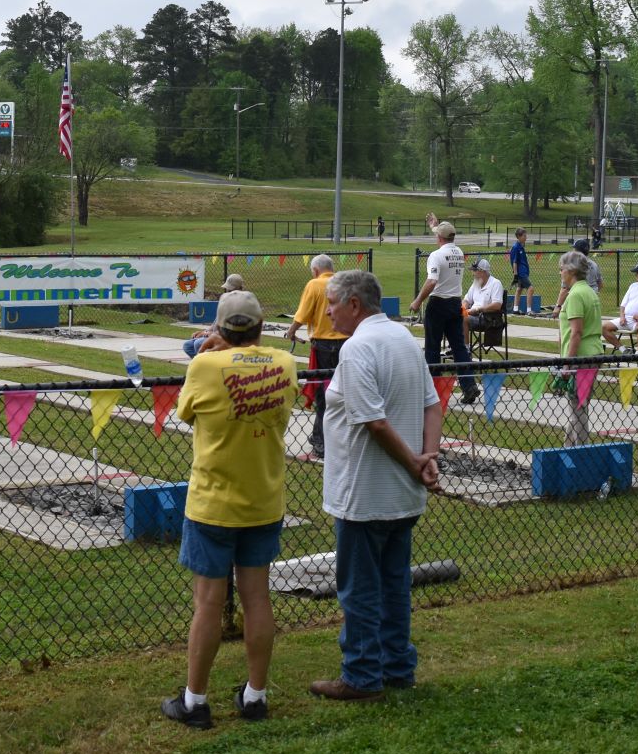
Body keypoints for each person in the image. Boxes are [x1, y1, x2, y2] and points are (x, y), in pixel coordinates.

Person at [162, 291, 296, 729]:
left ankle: (195, 701)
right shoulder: (284, 363)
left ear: (220, 329)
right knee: (257, 597)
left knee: (207, 602)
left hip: (213, 503)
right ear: (259, 327)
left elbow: (185, 412)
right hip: (263, 500)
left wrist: (206, 353)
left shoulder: (203, 366)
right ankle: (255, 695)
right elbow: (268, 360)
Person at [309, 268, 442, 702]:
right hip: (402, 496)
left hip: (363, 495)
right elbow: (432, 405)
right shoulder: (404, 339)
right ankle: (398, 668)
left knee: (360, 589)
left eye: (331, 303)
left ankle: (362, 675)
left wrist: (415, 462)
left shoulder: (357, 348)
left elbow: (374, 422)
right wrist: (428, 458)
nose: (326, 311)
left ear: (353, 304)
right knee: (394, 584)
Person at [409, 220, 478, 404]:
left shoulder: (436, 255)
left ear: (439, 237)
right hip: (455, 303)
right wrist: (435, 226)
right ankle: (469, 385)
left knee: (432, 348)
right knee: (459, 348)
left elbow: (432, 281)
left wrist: (417, 301)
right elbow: (444, 236)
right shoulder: (459, 253)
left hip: (438, 303)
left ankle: (431, 390)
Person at [285, 257, 344, 459]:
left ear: (316, 270)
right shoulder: (343, 282)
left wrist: (291, 331)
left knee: (323, 394)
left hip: (324, 346)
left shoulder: (315, 284)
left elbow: (302, 314)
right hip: (347, 344)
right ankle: (332, 437)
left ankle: (320, 442)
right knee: (344, 393)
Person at [557, 249, 603, 446]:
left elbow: (576, 332)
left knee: (579, 408)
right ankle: (568, 448)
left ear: (571, 270)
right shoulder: (589, 291)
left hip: (580, 357)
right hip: (593, 353)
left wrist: (568, 364)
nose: (560, 273)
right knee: (579, 406)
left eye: (561, 270)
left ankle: (581, 453)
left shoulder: (575, 295)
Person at [602, 261, 638, 353]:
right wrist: (622, 317)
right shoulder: (633, 286)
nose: (635, 275)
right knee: (603, 327)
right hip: (626, 319)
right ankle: (623, 349)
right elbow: (623, 305)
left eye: (637, 273)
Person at [183, 274, 246, 359]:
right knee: (188, 346)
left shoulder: (241, 306)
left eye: (231, 290)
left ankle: (207, 364)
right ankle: (204, 362)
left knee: (198, 344)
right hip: (215, 335)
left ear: (239, 289)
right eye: (228, 290)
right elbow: (215, 324)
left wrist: (206, 334)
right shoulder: (226, 302)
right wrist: (204, 331)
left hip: (227, 339)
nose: (228, 292)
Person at [462, 258, 505, 341]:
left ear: (482, 271)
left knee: (462, 319)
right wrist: (463, 309)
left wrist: (478, 309)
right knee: (452, 316)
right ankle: (453, 347)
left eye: (474, 271)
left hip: (488, 319)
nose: (472, 274)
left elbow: (497, 305)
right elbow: (466, 300)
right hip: (473, 315)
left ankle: (465, 350)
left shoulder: (496, 283)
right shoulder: (476, 283)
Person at [507, 227, 531, 298]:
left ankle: (515, 308)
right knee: (530, 289)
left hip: (524, 271)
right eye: (524, 236)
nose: (526, 237)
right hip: (521, 273)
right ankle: (529, 309)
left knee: (519, 290)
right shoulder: (516, 247)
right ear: (519, 237)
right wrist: (515, 275)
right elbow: (514, 262)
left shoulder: (521, 246)